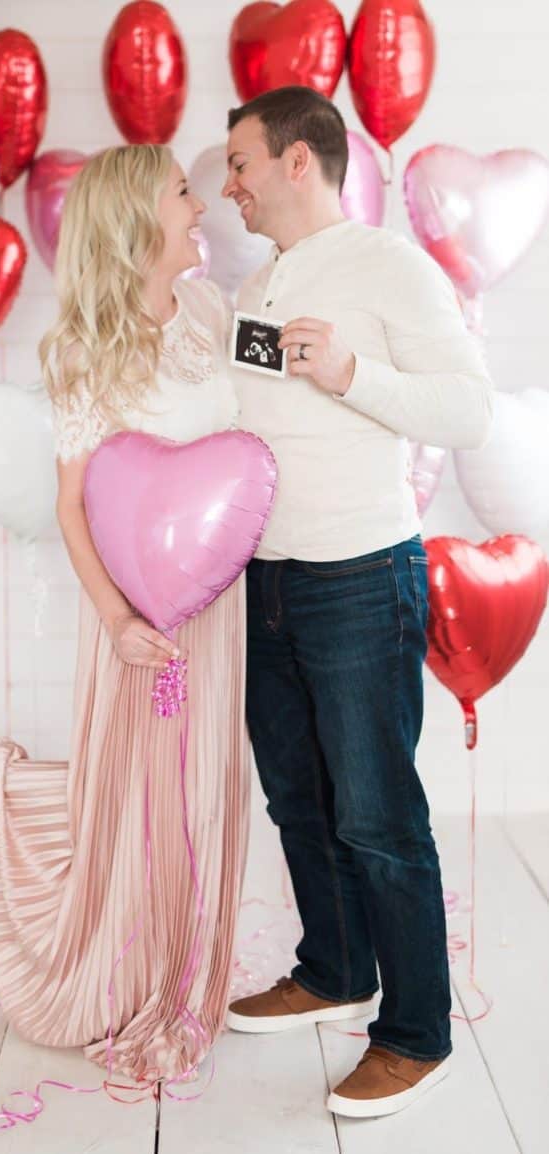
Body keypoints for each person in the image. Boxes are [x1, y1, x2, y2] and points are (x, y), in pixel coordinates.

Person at [0, 144, 250, 1085]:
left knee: (202, 796)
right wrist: (114, 620)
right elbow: (73, 506)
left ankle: (186, 976)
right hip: (136, 616)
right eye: (183, 192)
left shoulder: (213, 311)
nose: (199, 206)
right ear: (138, 216)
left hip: (218, 609)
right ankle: (123, 966)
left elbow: (256, 417)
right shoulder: (81, 350)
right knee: (138, 796)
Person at [221, 86, 494, 1118]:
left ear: (300, 161)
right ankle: (335, 969)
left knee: (377, 815)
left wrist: (350, 372)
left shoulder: (387, 267)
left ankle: (415, 1029)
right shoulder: (262, 282)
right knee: (296, 794)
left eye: (241, 162)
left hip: (355, 577)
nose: (230, 185)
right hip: (269, 579)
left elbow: (465, 407)